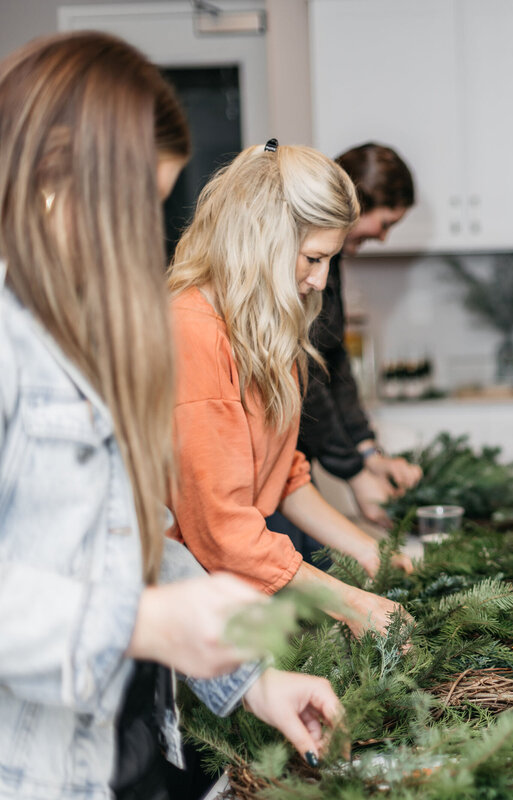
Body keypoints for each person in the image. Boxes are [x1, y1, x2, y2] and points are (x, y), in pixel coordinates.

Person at [0, 31, 343, 800]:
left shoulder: (78, 332)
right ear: (52, 172)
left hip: (131, 751)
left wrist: (255, 681)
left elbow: (138, 536)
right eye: (129, 208)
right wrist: (139, 624)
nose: (137, 241)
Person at [166, 142, 413, 638]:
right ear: (264, 238)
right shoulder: (192, 333)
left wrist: (370, 552)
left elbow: (283, 476)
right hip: (184, 607)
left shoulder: (259, 330)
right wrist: (352, 604)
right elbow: (223, 533)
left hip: (234, 592)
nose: (321, 281)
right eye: (314, 258)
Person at [280, 143, 421, 554]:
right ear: (359, 202)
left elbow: (333, 359)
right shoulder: (299, 267)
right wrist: (355, 474)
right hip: (273, 468)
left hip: (295, 469)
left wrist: (367, 451)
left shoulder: (326, 265)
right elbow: (304, 371)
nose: (383, 236)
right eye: (385, 222)